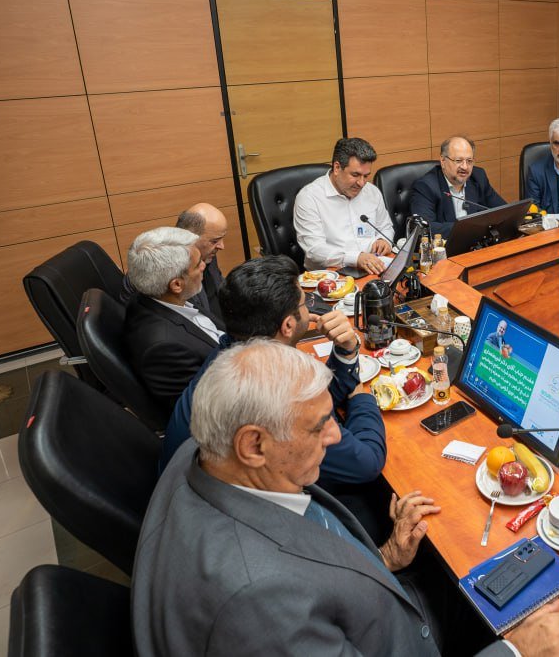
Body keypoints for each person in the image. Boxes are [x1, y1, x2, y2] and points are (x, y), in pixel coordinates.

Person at [133, 340, 559, 657]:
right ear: (253, 445)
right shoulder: (260, 605)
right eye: (320, 426)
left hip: (372, 598)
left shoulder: (202, 454)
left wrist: (385, 556)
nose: (336, 436)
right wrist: (517, 651)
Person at [159, 256, 383, 503]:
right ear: (288, 325)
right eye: (305, 302)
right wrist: (361, 397)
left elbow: (321, 399)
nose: (309, 309)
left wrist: (346, 351)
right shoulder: (275, 390)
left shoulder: (231, 353)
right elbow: (367, 463)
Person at [123, 227, 223, 409]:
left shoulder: (161, 294)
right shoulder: (164, 348)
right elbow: (207, 407)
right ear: (177, 284)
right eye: (197, 264)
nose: (203, 266)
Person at [294, 137, 394, 276]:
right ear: (337, 168)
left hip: (373, 268)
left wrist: (384, 240)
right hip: (330, 275)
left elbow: (386, 227)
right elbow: (315, 250)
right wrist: (356, 258)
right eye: (355, 175)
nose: (361, 183)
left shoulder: (372, 192)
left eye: (366, 176)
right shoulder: (309, 198)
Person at [410, 135, 505, 239]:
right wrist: (471, 228)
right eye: (458, 160)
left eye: (469, 161)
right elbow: (424, 229)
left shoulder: (478, 177)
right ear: (443, 161)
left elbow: (504, 211)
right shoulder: (426, 186)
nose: (465, 167)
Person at [174, 202, 228, 328]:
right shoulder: (176, 272)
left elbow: (219, 286)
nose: (222, 246)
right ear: (189, 238)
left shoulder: (206, 253)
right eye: (214, 241)